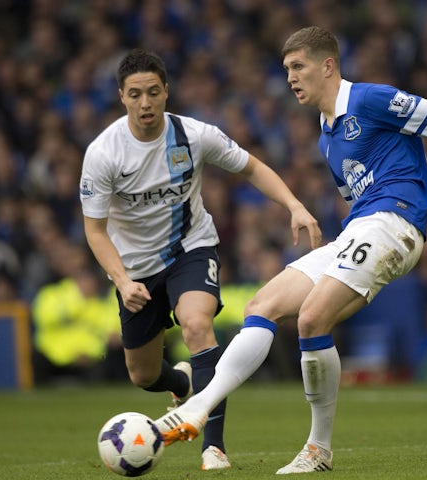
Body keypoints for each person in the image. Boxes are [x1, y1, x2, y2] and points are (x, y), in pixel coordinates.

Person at [156, 26, 427, 474]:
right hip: (359, 231)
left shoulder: (371, 100)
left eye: (298, 67)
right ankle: (201, 406)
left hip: (396, 222)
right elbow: (357, 199)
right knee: (264, 304)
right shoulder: (325, 135)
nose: (290, 78)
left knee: (312, 317)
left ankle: (314, 448)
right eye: (286, 69)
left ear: (327, 65)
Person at [79, 48, 321, 471]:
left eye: (153, 92)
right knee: (143, 375)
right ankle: (183, 382)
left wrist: (294, 205)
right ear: (121, 96)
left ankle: (214, 448)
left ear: (167, 92)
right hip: (134, 270)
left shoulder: (194, 135)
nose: (145, 103)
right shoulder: (103, 154)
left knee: (196, 324)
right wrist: (121, 280)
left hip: (190, 249)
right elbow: (95, 231)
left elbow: (251, 168)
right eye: (135, 94)